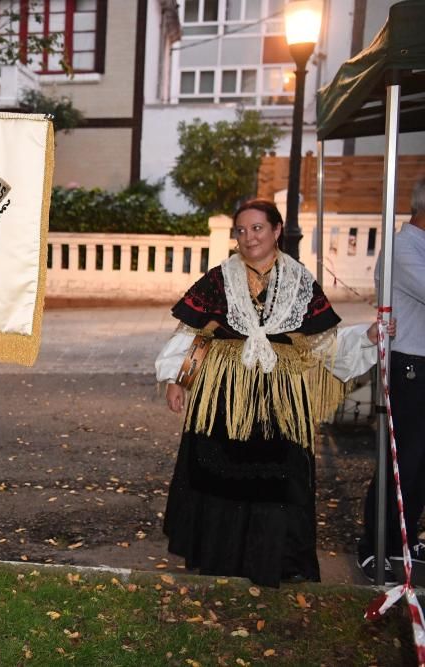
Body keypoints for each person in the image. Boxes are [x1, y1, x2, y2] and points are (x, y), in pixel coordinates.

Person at [155, 199, 389, 587]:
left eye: (257, 228)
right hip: (224, 394)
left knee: (276, 477)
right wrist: (175, 378)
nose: (248, 238)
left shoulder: (299, 283)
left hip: (280, 396)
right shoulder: (218, 280)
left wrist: (367, 336)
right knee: (219, 473)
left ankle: (274, 560)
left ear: (277, 231)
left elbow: (322, 345)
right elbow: (192, 335)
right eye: (241, 230)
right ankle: (222, 559)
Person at [357, 177, 425, 582]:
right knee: (403, 458)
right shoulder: (404, 248)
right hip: (408, 363)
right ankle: (374, 543)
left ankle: (406, 536)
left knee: (422, 460)